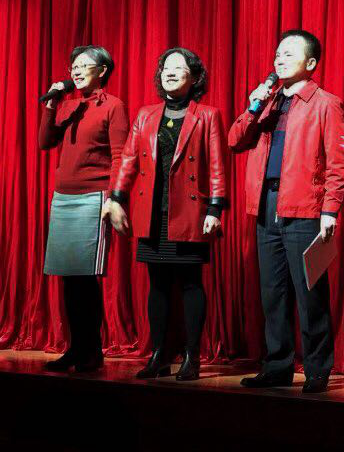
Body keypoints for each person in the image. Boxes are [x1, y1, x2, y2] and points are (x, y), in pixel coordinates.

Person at [229, 30, 344, 394]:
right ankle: (277, 366)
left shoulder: (325, 103)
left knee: (310, 293)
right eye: (278, 53)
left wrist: (330, 210)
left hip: (305, 208)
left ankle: (317, 369)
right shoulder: (267, 103)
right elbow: (235, 140)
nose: (279, 59)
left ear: (310, 63)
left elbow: (338, 164)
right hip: (267, 207)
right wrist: (253, 106)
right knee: (273, 293)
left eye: (289, 54)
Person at [105, 48, 226, 382]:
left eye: (178, 67)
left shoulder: (208, 115)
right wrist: (116, 199)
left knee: (190, 283)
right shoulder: (146, 115)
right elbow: (128, 159)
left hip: (189, 212)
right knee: (157, 285)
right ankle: (159, 354)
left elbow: (217, 164)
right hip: (152, 213)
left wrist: (215, 208)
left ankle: (191, 356)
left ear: (194, 76)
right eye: (165, 68)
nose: (169, 72)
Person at [39, 46, 129, 373]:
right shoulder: (69, 106)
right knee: (68, 279)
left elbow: (120, 155)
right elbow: (45, 142)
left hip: (94, 197)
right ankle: (75, 348)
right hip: (63, 197)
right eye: (73, 66)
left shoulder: (113, 106)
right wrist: (51, 105)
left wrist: (115, 198)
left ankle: (91, 350)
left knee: (86, 279)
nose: (76, 71)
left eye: (84, 65)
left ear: (102, 70)